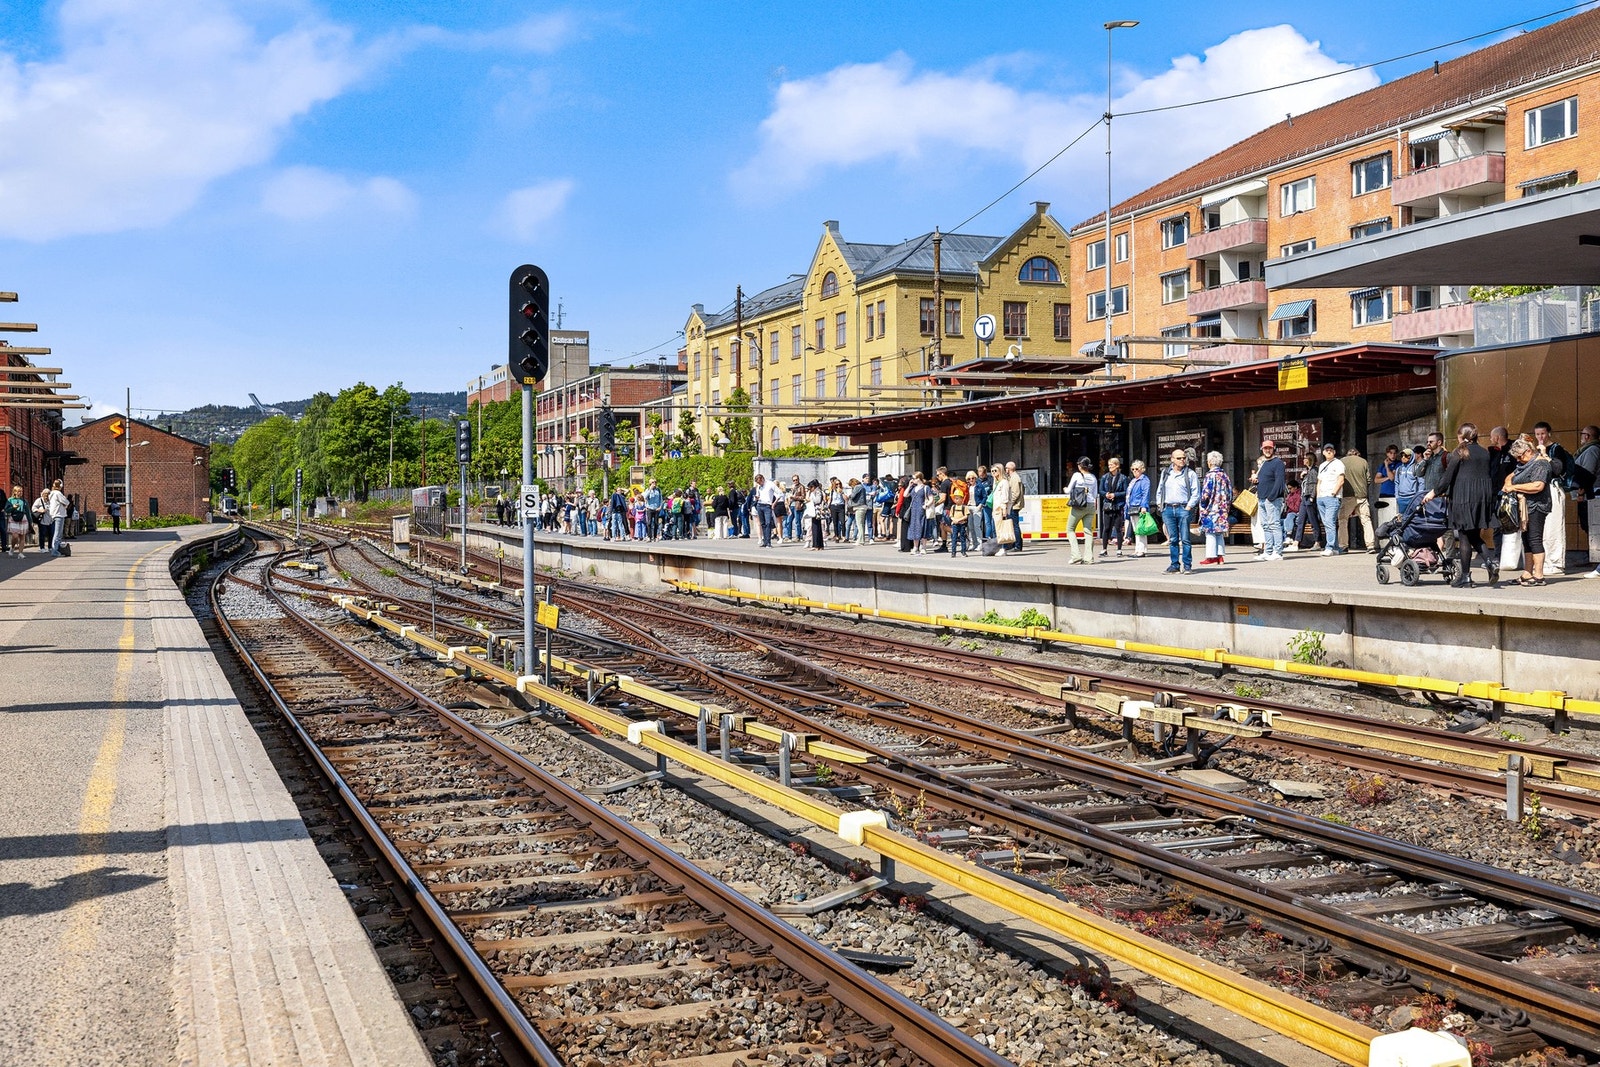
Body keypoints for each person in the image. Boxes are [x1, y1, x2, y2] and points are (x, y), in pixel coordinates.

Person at [1424, 423, 1497, 588]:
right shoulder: (1485, 453)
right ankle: (1490, 563)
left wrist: (1433, 492)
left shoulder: (1460, 452)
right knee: (1474, 535)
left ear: (1463, 438)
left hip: (1464, 498)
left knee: (1464, 536)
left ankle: (1465, 576)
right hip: (1482, 498)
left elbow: (1447, 477)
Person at [1505, 437, 1552, 586]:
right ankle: (1527, 572)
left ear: (1529, 451)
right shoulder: (1522, 464)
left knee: (1534, 539)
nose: (1518, 459)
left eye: (1520, 456)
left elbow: (1538, 486)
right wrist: (1508, 484)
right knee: (1526, 540)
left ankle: (1539, 575)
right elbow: (1511, 476)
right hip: (1524, 507)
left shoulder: (1540, 464)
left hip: (1537, 506)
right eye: (1516, 457)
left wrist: (1514, 487)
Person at [1532, 421, 1571, 575]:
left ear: (1549, 433)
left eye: (1542, 433)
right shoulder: (1534, 451)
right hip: (1539, 490)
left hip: (1553, 489)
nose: (1540, 437)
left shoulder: (1556, 449)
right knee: (1542, 528)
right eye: (1537, 434)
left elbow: (1558, 469)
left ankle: (1556, 563)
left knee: (1554, 526)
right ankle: (1543, 563)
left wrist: (1545, 456)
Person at [1155, 449, 1199, 573]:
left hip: (1183, 508)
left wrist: (1189, 507)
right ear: (1172, 459)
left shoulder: (1190, 474)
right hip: (1168, 508)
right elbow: (1160, 490)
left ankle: (1187, 566)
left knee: (1185, 539)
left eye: (1183, 458)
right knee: (1173, 539)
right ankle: (1174, 565)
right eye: (1179, 458)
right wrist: (1160, 504)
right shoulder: (1165, 473)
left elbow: (1196, 492)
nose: (1182, 460)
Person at [1198, 451, 1233, 565]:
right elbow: (1230, 493)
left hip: (1211, 509)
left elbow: (1205, 494)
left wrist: (1202, 506)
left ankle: (1211, 556)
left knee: (1210, 532)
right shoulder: (1225, 476)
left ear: (1209, 462)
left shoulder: (1210, 475)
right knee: (1219, 533)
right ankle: (1220, 556)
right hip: (1223, 509)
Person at [1339, 446, 1376, 552]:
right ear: (1357, 454)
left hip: (1347, 495)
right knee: (1366, 520)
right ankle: (1370, 545)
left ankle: (1343, 545)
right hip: (1362, 495)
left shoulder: (1342, 462)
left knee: (1343, 520)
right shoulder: (1363, 462)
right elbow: (1368, 480)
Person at [1255, 440, 1286, 561]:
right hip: (1262, 498)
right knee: (1265, 525)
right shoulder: (1264, 463)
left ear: (1274, 449)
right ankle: (1268, 551)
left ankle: (1278, 552)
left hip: (1271, 499)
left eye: (1269, 448)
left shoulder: (1278, 463)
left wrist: (1271, 497)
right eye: (1265, 448)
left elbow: (1280, 481)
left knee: (1274, 525)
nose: (1267, 450)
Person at [1315, 444, 1348, 556]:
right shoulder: (1322, 465)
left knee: (1329, 522)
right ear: (1323, 452)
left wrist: (1333, 492)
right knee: (1327, 523)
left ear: (1334, 452)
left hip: (1332, 497)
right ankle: (1335, 548)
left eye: (1331, 450)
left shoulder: (1338, 463)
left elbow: (1341, 480)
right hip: (1321, 497)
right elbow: (1319, 481)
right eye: (1326, 450)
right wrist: (1318, 495)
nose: (1328, 452)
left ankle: (1329, 547)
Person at [1065, 457, 1098, 564]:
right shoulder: (1093, 477)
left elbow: (1068, 490)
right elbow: (1094, 494)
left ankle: (1076, 555)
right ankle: (1089, 558)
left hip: (1079, 506)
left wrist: (1065, 489)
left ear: (1080, 465)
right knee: (1088, 531)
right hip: (1091, 505)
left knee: (1070, 529)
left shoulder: (1076, 475)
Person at [1098, 456, 1128, 557]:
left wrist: (1115, 495)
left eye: (1112, 465)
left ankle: (1119, 549)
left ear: (1117, 466)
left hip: (1118, 505)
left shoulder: (1123, 478)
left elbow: (1125, 491)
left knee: (1118, 528)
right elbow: (1100, 490)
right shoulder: (1104, 477)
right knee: (1106, 528)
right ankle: (1104, 549)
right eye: (1109, 465)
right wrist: (1106, 494)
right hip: (1107, 505)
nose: (1110, 467)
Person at [1124, 460, 1151, 556]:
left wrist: (1144, 506)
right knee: (1136, 529)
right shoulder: (1133, 480)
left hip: (1139, 506)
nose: (1134, 471)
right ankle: (1138, 548)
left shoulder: (1144, 480)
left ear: (1142, 469)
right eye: (1133, 469)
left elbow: (1145, 494)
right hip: (1132, 506)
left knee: (1141, 529)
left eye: (1137, 469)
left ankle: (1142, 550)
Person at [1394, 446, 1423, 519]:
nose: (1403, 457)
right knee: (1402, 520)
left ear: (1412, 456)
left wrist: (1418, 497)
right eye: (1402, 455)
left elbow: (1421, 483)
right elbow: (1396, 483)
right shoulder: (1399, 469)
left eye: (1406, 456)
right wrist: (1397, 496)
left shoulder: (1416, 468)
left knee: (1415, 519)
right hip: (1401, 499)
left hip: (1412, 498)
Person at [948, 473, 972, 556]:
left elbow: (966, 515)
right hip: (955, 524)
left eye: (958, 498)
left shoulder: (964, 507)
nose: (956, 500)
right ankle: (953, 552)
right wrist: (953, 519)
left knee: (962, 538)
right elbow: (951, 515)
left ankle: (963, 551)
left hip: (962, 524)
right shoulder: (953, 507)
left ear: (962, 499)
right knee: (954, 538)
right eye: (955, 498)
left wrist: (959, 520)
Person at [1004, 461, 1025, 554]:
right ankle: (1013, 545)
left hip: (1014, 505)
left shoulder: (1015, 478)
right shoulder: (1012, 477)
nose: (1005, 470)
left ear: (1010, 468)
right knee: (1012, 525)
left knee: (1015, 525)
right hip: (1013, 505)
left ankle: (1017, 545)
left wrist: (1010, 503)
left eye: (1006, 468)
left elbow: (1015, 493)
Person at [752, 474, 777, 547]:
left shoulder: (770, 484)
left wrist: (774, 503)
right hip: (760, 505)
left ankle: (768, 542)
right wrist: (756, 498)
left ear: (762, 479)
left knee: (768, 523)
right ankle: (765, 541)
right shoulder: (759, 487)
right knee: (762, 524)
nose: (759, 484)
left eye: (759, 482)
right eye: (758, 483)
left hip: (767, 505)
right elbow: (757, 495)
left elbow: (779, 493)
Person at [46, 479, 69, 555]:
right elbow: (66, 502)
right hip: (59, 514)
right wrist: (64, 505)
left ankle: (57, 549)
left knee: (57, 533)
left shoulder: (52, 494)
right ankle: (54, 550)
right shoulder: (58, 493)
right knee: (58, 534)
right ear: (60, 486)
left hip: (53, 514)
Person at [5, 486, 26, 557]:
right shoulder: (10, 500)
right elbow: (6, 510)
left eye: (21, 491)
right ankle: (12, 547)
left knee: (22, 536)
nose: (20, 493)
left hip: (23, 518)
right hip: (14, 518)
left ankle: (20, 553)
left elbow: (27, 511)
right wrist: (13, 507)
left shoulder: (24, 500)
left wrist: (30, 521)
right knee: (15, 536)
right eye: (19, 491)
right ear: (15, 492)